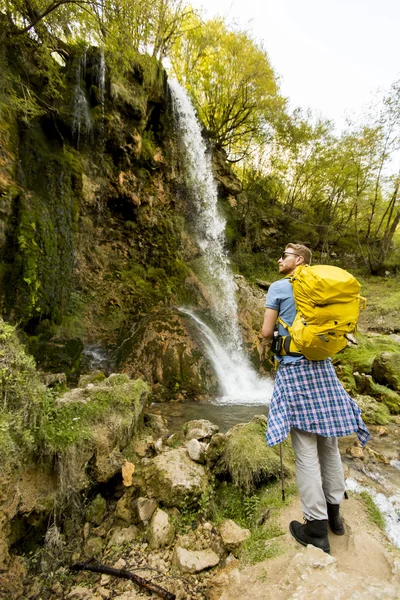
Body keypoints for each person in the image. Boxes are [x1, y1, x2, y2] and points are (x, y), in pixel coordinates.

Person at [261, 243, 370, 554]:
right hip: (323, 368)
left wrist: (263, 344)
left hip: (295, 371)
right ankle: (336, 515)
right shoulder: (322, 290)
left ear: (298, 260)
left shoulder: (279, 287)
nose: (279, 259)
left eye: (284, 255)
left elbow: (267, 332)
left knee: (305, 447)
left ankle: (316, 527)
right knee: (329, 442)